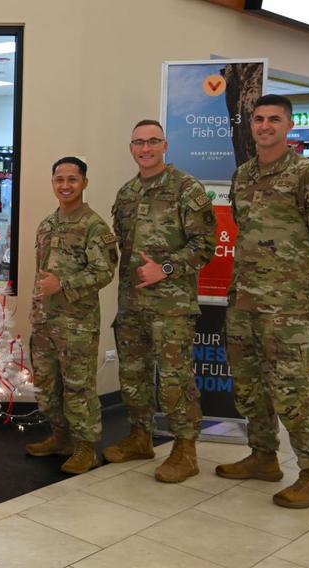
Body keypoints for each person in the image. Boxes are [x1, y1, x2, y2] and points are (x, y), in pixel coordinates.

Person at [216, 94, 309, 508]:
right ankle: (263, 456)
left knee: (293, 390)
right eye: (258, 119)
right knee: (250, 385)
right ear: (250, 125)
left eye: (274, 119)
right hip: (246, 302)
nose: (265, 125)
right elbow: (244, 227)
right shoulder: (244, 175)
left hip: (289, 306)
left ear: (288, 126)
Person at [104, 119, 217, 483]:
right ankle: (140, 437)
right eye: (139, 142)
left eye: (153, 141)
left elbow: (205, 246)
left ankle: (186, 450)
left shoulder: (187, 189)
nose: (146, 148)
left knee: (174, 379)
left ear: (165, 146)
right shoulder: (126, 194)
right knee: (133, 375)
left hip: (171, 307)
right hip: (132, 305)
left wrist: (166, 268)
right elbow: (122, 245)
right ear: (131, 148)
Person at [25, 157, 118, 475]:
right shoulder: (48, 224)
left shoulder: (94, 225)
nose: (65, 185)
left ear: (84, 183)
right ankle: (61, 437)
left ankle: (86, 448)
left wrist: (63, 284)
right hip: (45, 322)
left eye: (72, 179)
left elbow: (105, 271)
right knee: (48, 386)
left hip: (76, 324)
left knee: (79, 387)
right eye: (59, 179)